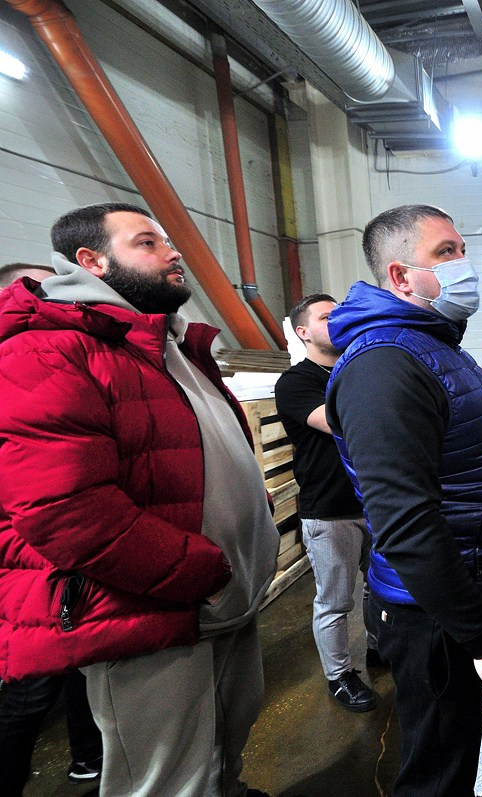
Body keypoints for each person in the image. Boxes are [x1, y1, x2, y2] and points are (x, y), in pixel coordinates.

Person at [0, 203, 278, 797]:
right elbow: (65, 508)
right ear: (91, 261)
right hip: (155, 609)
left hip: (222, 600)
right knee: (165, 779)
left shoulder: (166, 344)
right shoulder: (49, 350)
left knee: (226, 745)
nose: (173, 253)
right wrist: (196, 572)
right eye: (148, 242)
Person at [325, 204, 482, 796]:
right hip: (438, 616)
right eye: (445, 253)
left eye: (461, 250)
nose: (463, 264)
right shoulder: (385, 366)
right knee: (437, 776)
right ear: (399, 277)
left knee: (454, 754)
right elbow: (405, 523)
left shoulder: (430, 345)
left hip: (466, 590)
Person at [0, 263, 103, 793]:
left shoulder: (63, 357)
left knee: (84, 668)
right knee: (30, 689)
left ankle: (89, 759)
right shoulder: (14, 363)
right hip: (27, 562)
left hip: (74, 559)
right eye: (40, 287)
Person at [275, 293, 379, 713]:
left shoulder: (358, 368)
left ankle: (381, 647)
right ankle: (340, 676)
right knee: (335, 600)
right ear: (303, 332)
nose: (337, 319)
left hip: (374, 502)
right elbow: (338, 422)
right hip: (330, 509)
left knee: (383, 589)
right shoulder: (296, 382)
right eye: (326, 316)